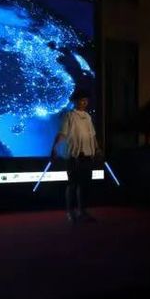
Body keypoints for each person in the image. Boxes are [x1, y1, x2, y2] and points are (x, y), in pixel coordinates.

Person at [51, 88, 102, 223]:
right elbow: (62, 133)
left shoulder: (88, 117)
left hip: (87, 156)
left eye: (86, 100)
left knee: (84, 185)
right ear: (75, 101)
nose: (84, 103)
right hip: (74, 156)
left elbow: (92, 135)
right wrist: (54, 147)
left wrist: (97, 149)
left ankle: (82, 211)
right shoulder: (69, 116)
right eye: (81, 100)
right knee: (72, 184)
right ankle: (70, 212)